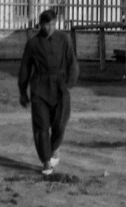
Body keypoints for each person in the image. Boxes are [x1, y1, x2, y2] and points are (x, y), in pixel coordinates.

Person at [18, 10, 80, 176]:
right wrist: (23, 92)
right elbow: (25, 68)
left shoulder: (64, 40)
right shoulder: (33, 44)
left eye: (52, 24)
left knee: (60, 123)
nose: (50, 28)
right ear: (40, 25)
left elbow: (72, 63)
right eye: (46, 24)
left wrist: (69, 83)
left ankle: (54, 149)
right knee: (41, 127)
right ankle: (46, 161)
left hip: (60, 88)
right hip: (40, 88)